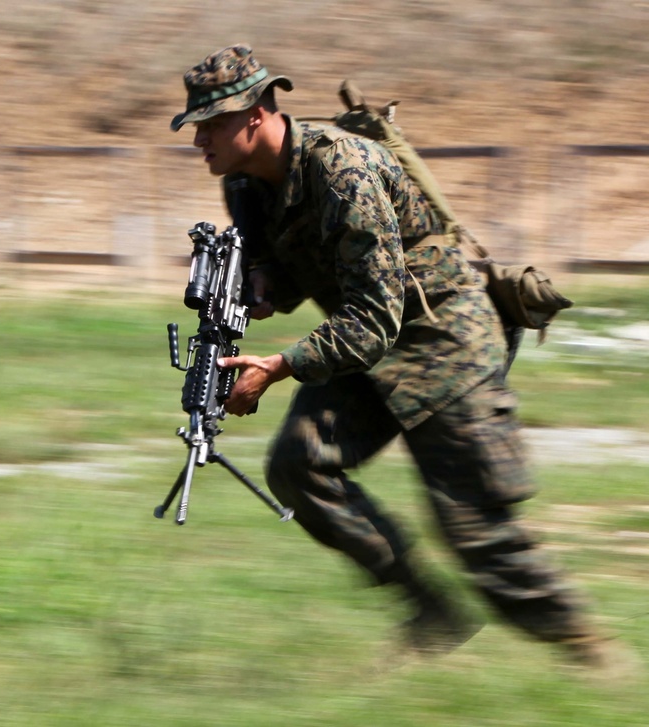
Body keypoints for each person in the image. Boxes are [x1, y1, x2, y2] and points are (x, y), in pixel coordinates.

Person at [170, 43, 620, 667]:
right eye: (195, 127)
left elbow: (376, 314)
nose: (199, 142)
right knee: (298, 466)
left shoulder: (344, 171)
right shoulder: (247, 188)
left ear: (254, 115)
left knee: (476, 531)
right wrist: (266, 285)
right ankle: (431, 614)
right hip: (366, 344)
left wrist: (277, 367)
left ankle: (590, 655)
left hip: (445, 343)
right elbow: (305, 268)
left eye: (210, 125)